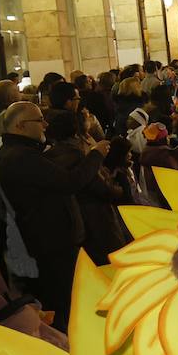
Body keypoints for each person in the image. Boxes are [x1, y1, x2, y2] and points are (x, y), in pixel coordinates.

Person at [0, 101, 108, 331]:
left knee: (70, 299)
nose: (45, 125)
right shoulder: (20, 157)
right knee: (64, 304)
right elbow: (69, 182)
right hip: (51, 242)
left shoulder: (23, 152)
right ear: (20, 125)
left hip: (53, 239)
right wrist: (95, 155)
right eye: (39, 120)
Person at [45, 109, 130, 265]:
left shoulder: (49, 156)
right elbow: (101, 188)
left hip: (75, 219)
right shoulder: (77, 156)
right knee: (110, 261)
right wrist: (118, 187)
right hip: (95, 218)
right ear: (76, 131)